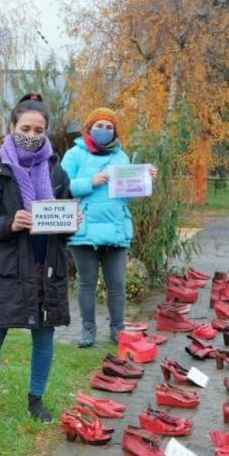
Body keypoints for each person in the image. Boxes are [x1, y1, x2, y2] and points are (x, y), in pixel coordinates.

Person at [0, 94, 75, 423]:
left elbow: (64, 220)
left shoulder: (57, 172)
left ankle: (36, 400)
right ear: (12, 128)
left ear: (46, 133)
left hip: (47, 263)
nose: (32, 134)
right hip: (8, 266)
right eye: (25, 127)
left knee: (44, 335)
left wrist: (73, 222)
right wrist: (9, 223)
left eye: (39, 130)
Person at [62, 107, 156, 347]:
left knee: (117, 285)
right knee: (86, 283)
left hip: (116, 230)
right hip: (83, 231)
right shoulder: (74, 154)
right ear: (89, 128)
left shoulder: (120, 157)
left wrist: (144, 178)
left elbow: (127, 194)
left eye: (109, 126)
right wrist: (89, 182)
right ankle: (88, 330)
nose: (104, 130)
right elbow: (59, 187)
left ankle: (117, 330)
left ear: (115, 131)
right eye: (99, 125)